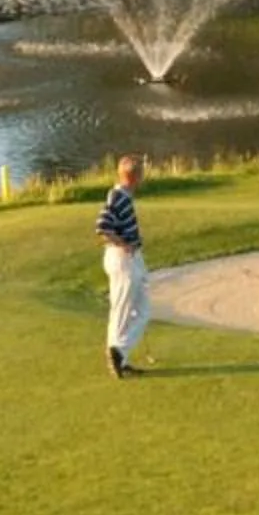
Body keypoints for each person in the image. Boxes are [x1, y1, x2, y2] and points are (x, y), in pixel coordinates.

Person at [95, 154, 149, 378]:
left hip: (129, 258)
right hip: (122, 259)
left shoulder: (122, 196)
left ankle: (119, 355)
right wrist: (124, 244)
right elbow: (102, 227)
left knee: (140, 310)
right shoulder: (118, 197)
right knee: (123, 311)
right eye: (141, 174)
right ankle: (118, 353)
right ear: (134, 177)